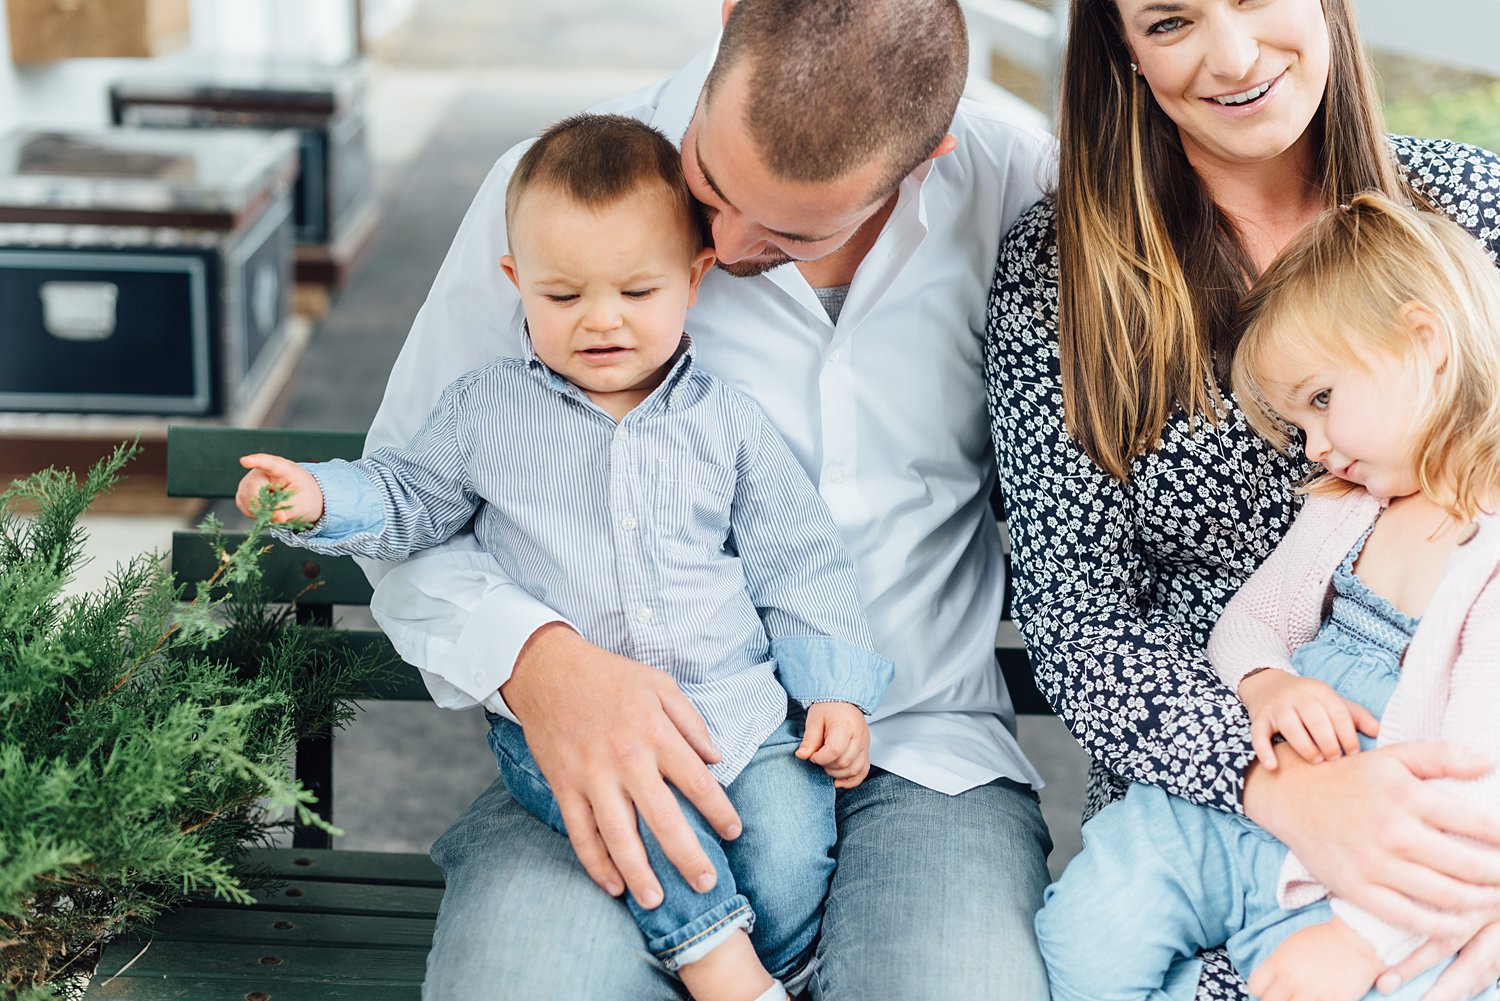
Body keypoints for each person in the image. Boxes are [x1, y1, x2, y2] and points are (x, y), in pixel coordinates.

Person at [360, 1, 1055, 997]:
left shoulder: (1018, 184)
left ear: (926, 159)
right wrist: (538, 663)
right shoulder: (549, 194)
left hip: (923, 753)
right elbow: (406, 494)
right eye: (712, 181)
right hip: (629, 750)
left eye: (791, 228)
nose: (723, 244)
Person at [235, 113, 893, 1001]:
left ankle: (774, 966)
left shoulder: (728, 424)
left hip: (735, 716)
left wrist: (836, 689)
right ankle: (719, 966)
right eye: (563, 295)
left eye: (636, 290)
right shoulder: (485, 413)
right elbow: (406, 496)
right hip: (565, 736)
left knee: (784, 846)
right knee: (640, 831)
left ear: (695, 277)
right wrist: (315, 499)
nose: (602, 321)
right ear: (516, 285)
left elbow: (798, 561)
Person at [984, 1, 1500, 999]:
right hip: (1201, 788)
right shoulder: (1066, 271)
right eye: (1170, 19)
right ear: (1123, 51)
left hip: (1451, 810)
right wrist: (1280, 781)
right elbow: (1080, 623)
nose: (1232, 55)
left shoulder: (1471, 209)